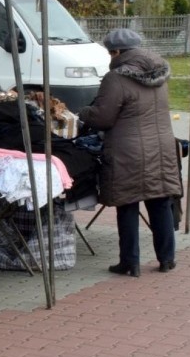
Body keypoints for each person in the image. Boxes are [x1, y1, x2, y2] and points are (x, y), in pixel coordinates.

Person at [78, 29, 182, 277]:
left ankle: (129, 262)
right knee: (159, 201)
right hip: (162, 147)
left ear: (116, 52)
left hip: (128, 151)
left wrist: (83, 112)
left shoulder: (116, 78)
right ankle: (167, 259)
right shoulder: (159, 73)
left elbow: (103, 117)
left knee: (127, 204)